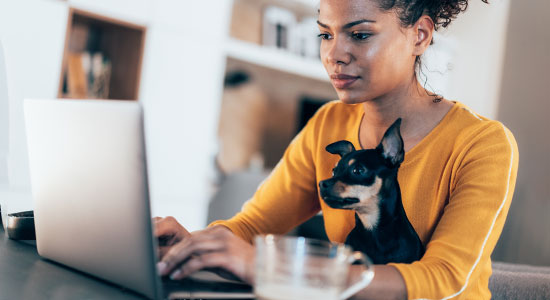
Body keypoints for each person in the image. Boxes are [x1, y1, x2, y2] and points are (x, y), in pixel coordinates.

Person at [154, 0, 519, 299]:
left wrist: (270, 268)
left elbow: (445, 280)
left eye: (359, 35)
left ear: (420, 36)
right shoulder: (328, 123)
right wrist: (192, 246)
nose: (334, 54)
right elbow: (252, 227)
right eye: (324, 34)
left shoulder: (483, 144)